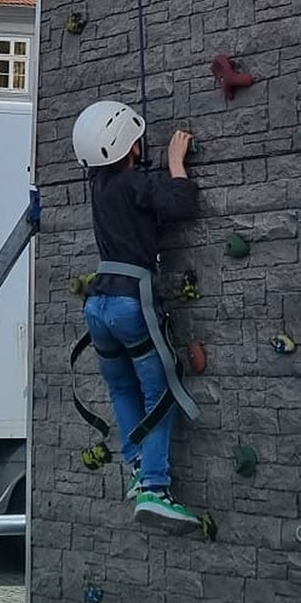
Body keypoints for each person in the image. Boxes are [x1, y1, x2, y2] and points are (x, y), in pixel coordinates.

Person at [72, 99, 200, 527]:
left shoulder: (99, 187)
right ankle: (155, 487)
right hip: (130, 301)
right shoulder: (131, 185)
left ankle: (138, 463)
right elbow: (180, 203)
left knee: (123, 390)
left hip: (98, 306)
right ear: (129, 146)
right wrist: (175, 163)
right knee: (158, 393)